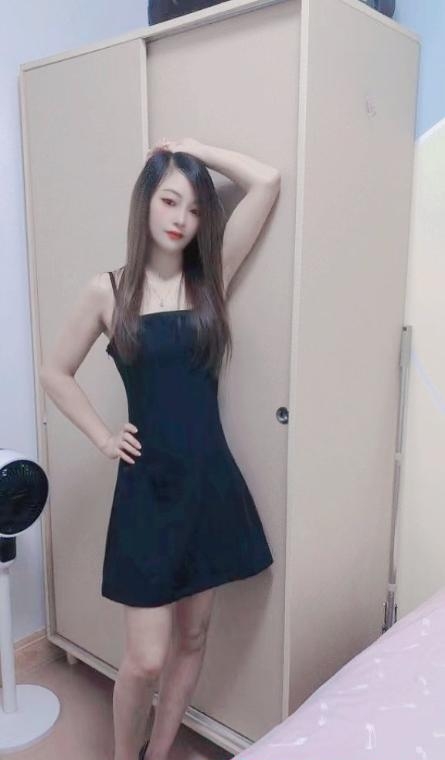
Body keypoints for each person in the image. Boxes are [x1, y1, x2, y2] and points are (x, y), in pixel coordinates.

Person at [39, 137, 281, 760]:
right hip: (148, 489)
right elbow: (54, 372)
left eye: (196, 208)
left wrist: (191, 147)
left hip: (208, 483)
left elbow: (267, 182)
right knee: (145, 658)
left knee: (193, 638)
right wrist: (102, 435)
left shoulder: (211, 278)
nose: (181, 219)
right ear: (145, 201)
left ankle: (159, 751)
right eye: (170, 200)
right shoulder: (107, 291)